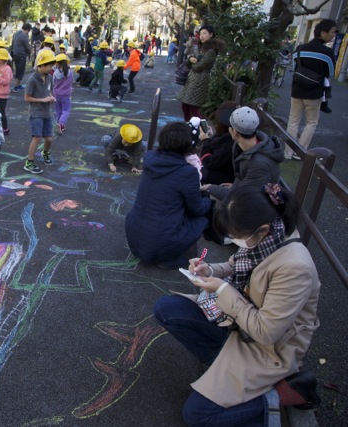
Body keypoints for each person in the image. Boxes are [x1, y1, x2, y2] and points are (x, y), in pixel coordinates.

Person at [153, 183, 321, 426]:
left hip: (268, 349)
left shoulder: (295, 267)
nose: (233, 240)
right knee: (166, 309)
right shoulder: (269, 237)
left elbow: (266, 333)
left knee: (197, 416)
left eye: (237, 236)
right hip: (239, 324)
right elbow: (234, 264)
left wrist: (223, 289)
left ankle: (283, 393)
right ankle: (221, 367)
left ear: (261, 230)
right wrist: (209, 269)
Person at [125, 122, 212, 268]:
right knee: (202, 219)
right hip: (161, 242)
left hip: (134, 237)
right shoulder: (187, 172)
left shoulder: (150, 159)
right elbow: (197, 209)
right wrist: (208, 198)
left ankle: (162, 253)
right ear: (187, 146)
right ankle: (172, 259)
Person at [202, 106, 284, 202]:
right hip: (247, 191)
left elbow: (242, 197)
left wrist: (210, 187)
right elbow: (240, 176)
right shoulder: (239, 145)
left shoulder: (260, 163)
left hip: (259, 205)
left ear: (235, 132)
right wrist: (236, 185)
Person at [285, 19, 337, 160]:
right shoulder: (327, 53)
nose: (334, 35)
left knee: (293, 121)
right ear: (323, 32)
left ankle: (288, 152)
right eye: (332, 32)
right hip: (314, 92)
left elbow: (296, 66)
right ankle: (300, 152)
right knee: (311, 122)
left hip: (297, 89)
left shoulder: (300, 48)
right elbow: (331, 73)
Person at [177, 25, 225, 121]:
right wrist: (190, 59)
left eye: (205, 33)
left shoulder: (211, 50)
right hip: (193, 79)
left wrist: (191, 63)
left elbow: (199, 66)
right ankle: (190, 125)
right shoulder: (201, 46)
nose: (202, 36)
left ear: (211, 34)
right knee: (185, 105)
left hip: (200, 79)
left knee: (194, 107)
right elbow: (190, 57)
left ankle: (200, 128)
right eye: (201, 34)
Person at [23, 50, 57, 174]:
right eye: (48, 66)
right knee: (37, 137)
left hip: (47, 112)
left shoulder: (50, 78)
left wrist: (51, 97)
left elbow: (49, 92)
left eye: (51, 66)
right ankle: (29, 162)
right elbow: (26, 98)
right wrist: (42, 100)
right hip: (36, 113)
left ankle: (45, 153)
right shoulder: (32, 79)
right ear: (40, 65)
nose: (50, 69)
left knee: (49, 139)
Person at [199, 101, 236, 185]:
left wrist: (206, 141)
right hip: (226, 173)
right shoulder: (227, 135)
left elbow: (209, 162)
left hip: (227, 179)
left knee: (196, 171)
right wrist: (211, 137)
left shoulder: (230, 142)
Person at [53, 53, 73, 134]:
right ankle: (61, 124)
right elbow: (71, 81)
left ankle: (59, 124)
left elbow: (53, 83)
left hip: (56, 94)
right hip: (66, 95)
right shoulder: (70, 72)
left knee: (58, 110)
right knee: (66, 110)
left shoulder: (55, 73)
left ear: (57, 63)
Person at [11, 23, 32, 92]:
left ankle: (18, 85)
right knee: (20, 71)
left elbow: (13, 43)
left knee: (17, 70)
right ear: (28, 30)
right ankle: (16, 87)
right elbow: (27, 47)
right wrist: (30, 53)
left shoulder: (16, 33)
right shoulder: (24, 35)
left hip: (15, 53)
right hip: (21, 55)